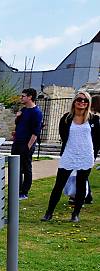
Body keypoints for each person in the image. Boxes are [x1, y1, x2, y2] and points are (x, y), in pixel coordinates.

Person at [40, 91, 99, 223]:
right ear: (74, 101)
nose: (82, 102)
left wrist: (93, 156)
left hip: (85, 155)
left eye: (85, 100)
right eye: (79, 99)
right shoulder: (66, 118)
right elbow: (63, 135)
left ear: (88, 103)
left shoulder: (94, 119)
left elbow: (97, 140)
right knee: (59, 185)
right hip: (69, 154)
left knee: (81, 184)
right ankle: (49, 213)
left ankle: (75, 214)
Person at [12, 88, 43, 200]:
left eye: (23, 96)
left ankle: (24, 192)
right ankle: (16, 189)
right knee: (16, 167)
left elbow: (36, 132)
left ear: (30, 97)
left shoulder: (36, 112)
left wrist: (28, 146)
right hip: (17, 142)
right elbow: (19, 125)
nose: (21, 98)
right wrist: (17, 118)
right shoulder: (23, 110)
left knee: (26, 168)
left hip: (26, 144)